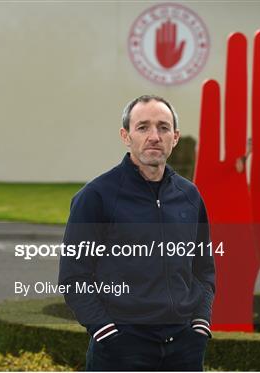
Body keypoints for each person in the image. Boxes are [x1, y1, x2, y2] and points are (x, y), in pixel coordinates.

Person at [59, 95, 215, 371]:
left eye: (163, 127)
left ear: (175, 137)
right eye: (143, 127)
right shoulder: (96, 196)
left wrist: (200, 323)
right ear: (126, 135)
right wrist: (105, 331)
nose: (154, 136)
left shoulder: (190, 196)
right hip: (121, 349)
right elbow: (74, 277)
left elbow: (203, 270)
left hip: (184, 348)